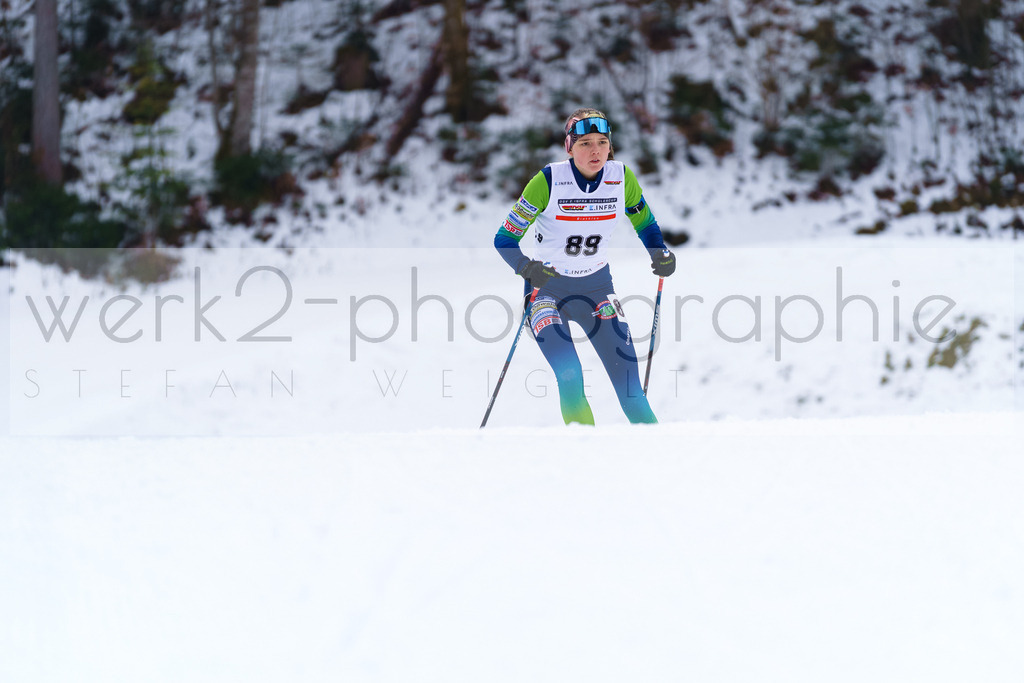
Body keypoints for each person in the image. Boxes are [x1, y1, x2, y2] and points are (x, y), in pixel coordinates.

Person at [493, 107, 677, 425]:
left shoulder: (622, 178)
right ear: (569, 147)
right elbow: (504, 239)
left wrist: (658, 252)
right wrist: (526, 267)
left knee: (633, 390)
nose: (595, 151)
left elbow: (644, 221)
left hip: (598, 291)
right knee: (569, 375)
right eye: (585, 143)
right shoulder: (548, 181)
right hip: (547, 292)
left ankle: (659, 461)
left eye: (602, 142)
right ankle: (585, 453)